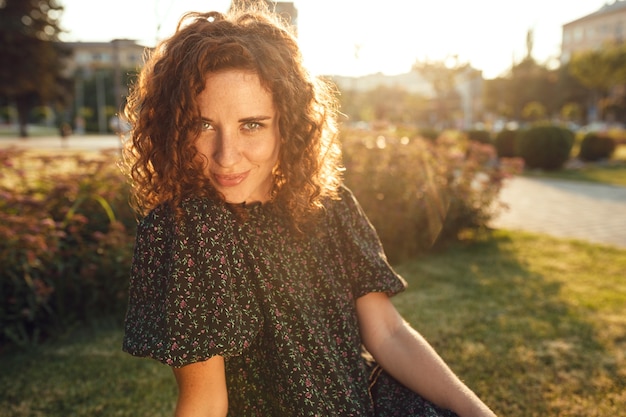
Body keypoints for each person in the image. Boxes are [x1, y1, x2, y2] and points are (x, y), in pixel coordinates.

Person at [121, 4, 498, 417]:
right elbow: (206, 402)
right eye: (202, 125)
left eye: (252, 124)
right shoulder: (191, 229)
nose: (226, 157)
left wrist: (479, 413)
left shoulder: (329, 205)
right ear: (174, 129)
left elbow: (388, 332)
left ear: (289, 122)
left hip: (373, 402)